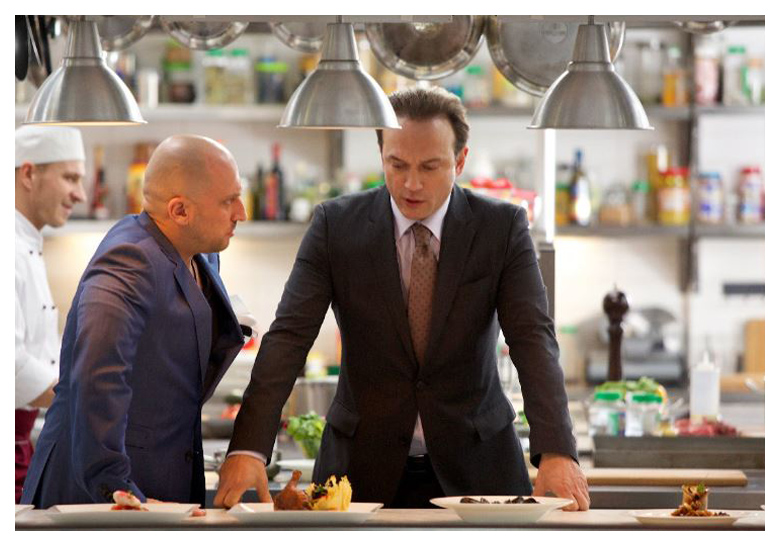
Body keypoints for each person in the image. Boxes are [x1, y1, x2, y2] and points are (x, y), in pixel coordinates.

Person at [216, 86, 589, 511]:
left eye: (430, 167)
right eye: (397, 164)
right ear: (381, 155)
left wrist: (557, 451)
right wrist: (248, 448)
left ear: (460, 161)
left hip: (480, 470)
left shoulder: (501, 229)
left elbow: (533, 339)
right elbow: (288, 338)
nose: (411, 183)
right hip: (358, 474)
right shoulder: (334, 226)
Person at [22, 135, 248, 508]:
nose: (241, 212)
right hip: (98, 498)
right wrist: (116, 486)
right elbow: (97, 373)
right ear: (179, 211)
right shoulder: (130, 259)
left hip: (162, 486)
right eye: (228, 201)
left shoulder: (203, 256)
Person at [15, 126, 87, 503]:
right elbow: (10, 365)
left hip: (22, 441)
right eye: (70, 177)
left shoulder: (27, 239)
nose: (81, 193)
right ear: (28, 174)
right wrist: (88, 402)